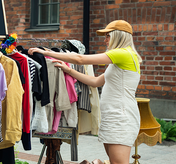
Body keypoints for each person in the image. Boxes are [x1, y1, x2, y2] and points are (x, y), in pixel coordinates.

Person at [28, 20, 142, 164]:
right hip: (113, 115)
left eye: (108, 36)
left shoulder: (123, 54)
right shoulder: (120, 60)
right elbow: (95, 82)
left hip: (121, 116)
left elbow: (80, 58)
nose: (105, 40)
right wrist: (69, 70)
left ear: (118, 36)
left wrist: (46, 53)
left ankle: (96, 163)